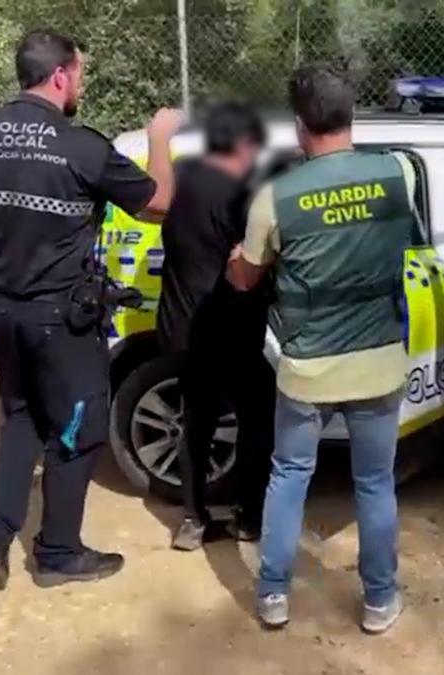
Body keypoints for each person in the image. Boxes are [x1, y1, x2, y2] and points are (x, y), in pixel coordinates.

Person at [0, 29, 184, 590]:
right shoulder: (80, 146)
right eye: (81, 73)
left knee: (22, 417)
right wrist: (160, 139)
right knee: (79, 428)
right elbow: (161, 204)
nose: (82, 82)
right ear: (60, 75)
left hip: (3, 311)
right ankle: (57, 553)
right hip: (63, 320)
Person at [227, 64, 422, 634]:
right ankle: (381, 600)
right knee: (375, 484)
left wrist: (236, 260)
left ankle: (272, 596)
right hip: (379, 362)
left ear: (298, 127)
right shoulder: (397, 176)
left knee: (288, 475)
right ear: (351, 116)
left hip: (308, 369)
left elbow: (246, 279)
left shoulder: (276, 196)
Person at [156, 102, 274, 551]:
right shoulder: (246, 191)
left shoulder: (181, 175)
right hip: (231, 327)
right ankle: (248, 515)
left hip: (181, 327)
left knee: (196, 421)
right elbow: (252, 264)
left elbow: (154, 200)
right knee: (258, 417)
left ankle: (192, 519)